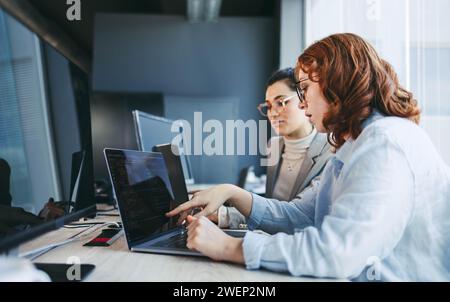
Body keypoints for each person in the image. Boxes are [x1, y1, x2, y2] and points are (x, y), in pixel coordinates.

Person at [167, 33, 450, 281]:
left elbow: (339, 253)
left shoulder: (383, 145)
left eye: (304, 88)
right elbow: (302, 215)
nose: (302, 102)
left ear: (336, 84)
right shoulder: (356, 143)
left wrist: (229, 248)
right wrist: (231, 193)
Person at [213, 68, 332, 229]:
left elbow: (296, 216)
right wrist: (220, 215)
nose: (273, 113)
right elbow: (270, 212)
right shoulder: (274, 146)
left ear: (304, 99)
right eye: (268, 106)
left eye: (281, 102)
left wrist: (231, 194)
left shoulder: (331, 150)